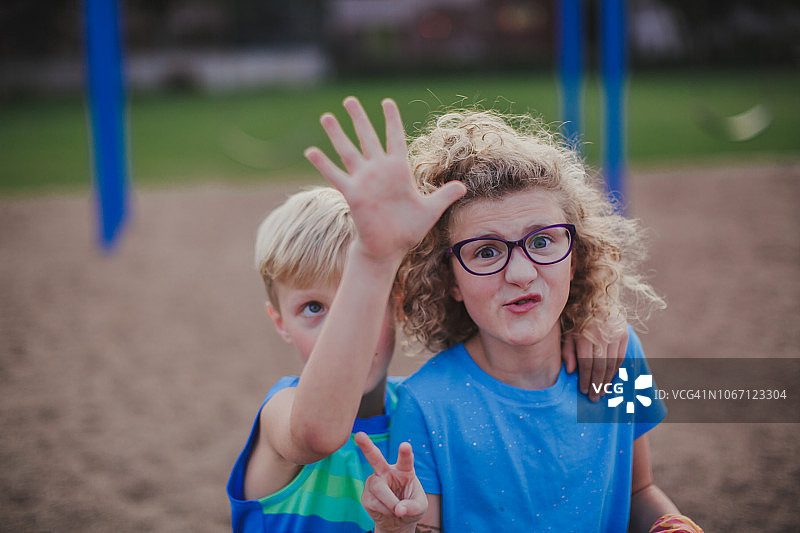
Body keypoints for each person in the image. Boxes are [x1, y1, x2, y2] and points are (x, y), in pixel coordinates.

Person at [226, 97, 631, 533]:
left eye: (358, 302)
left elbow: (639, 489)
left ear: (398, 300)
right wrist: (374, 260)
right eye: (313, 308)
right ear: (279, 322)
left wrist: (592, 314)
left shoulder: (420, 404)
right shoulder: (281, 413)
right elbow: (318, 434)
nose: (339, 331)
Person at [373, 109, 705, 532]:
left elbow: (639, 491)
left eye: (542, 240)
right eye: (487, 251)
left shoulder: (617, 355)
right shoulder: (425, 406)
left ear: (576, 256)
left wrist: (672, 525)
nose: (521, 273)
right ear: (448, 279)